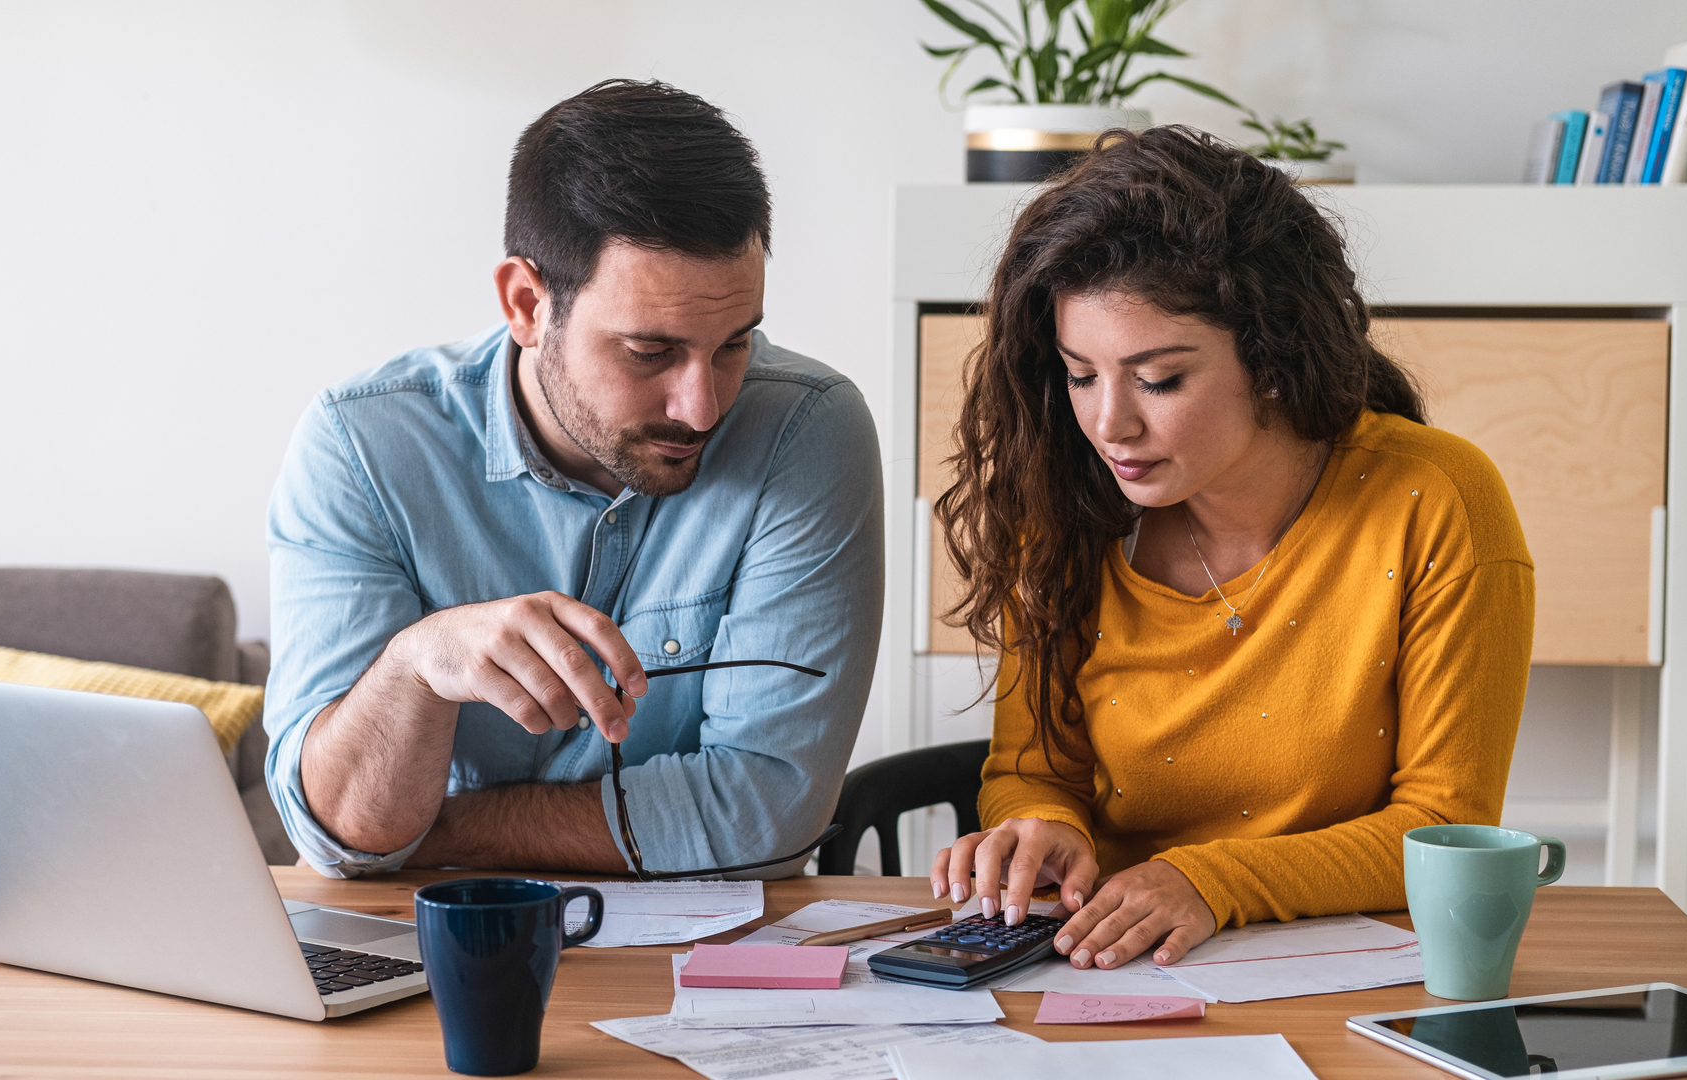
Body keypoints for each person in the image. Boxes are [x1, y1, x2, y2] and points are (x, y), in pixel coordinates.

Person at [929, 126, 1534, 970]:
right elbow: (1033, 770)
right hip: (1107, 963)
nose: (1110, 424)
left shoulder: (1437, 501)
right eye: (1080, 374)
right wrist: (1045, 829)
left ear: (1273, 356)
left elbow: (1440, 826)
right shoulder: (1064, 507)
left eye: (1159, 379)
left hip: (1337, 971)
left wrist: (1210, 882)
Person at [263, 80, 883, 879]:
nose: (701, 408)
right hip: (431, 954)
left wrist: (432, 834)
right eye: (649, 352)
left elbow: (766, 815)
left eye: (734, 344)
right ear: (526, 303)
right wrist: (417, 666)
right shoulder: (360, 448)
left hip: (700, 971)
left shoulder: (806, 430)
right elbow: (338, 830)